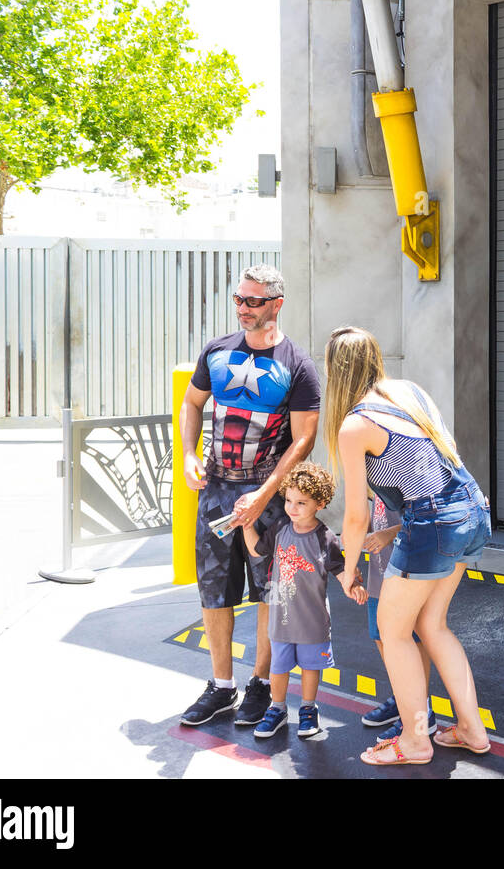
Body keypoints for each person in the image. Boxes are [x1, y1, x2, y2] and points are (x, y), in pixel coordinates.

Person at [325, 326, 492, 765]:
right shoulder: (407, 392)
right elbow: (440, 463)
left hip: (433, 523)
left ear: (334, 372)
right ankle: (473, 731)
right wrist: (396, 533)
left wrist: (347, 569)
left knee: (394, 631)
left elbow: (357, 515)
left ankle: (417, 742)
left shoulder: (355, 425)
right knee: (432, 625)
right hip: (471, 508)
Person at [178, 265, 322, 727]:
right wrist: (187, 454)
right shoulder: (216, 351)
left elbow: (303, 440)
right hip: (216, 491)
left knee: (269, 592)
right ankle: (222, 686)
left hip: (269, 496)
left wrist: (264, 495)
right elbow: (192, 403)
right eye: (239, 299)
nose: (243, 308)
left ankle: (261, 684)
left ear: (277, 303)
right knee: (214, 589)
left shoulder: (297, 364)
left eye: (253, 301)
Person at [243, 462, 350, 739]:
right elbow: (257, 550)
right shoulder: (280, 528)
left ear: (320, 503)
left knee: (310, 667)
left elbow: (339, 569)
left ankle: (307, 708)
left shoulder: (324, 537)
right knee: (278, 667)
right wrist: (245, 526)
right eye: (289, 500)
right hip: (281, 619)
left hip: (312, 620)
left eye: (301, 502)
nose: (292, 508)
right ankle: (277, 709)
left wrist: (354, 585)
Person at [360, 494, 437, 743]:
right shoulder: (369, 471)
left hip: (406, 571)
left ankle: (420, 710)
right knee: (381, 637)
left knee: (410, 642)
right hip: (379, 569)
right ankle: (403, 697)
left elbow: (427, 520)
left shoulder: (401, 469)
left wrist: (388, 533)